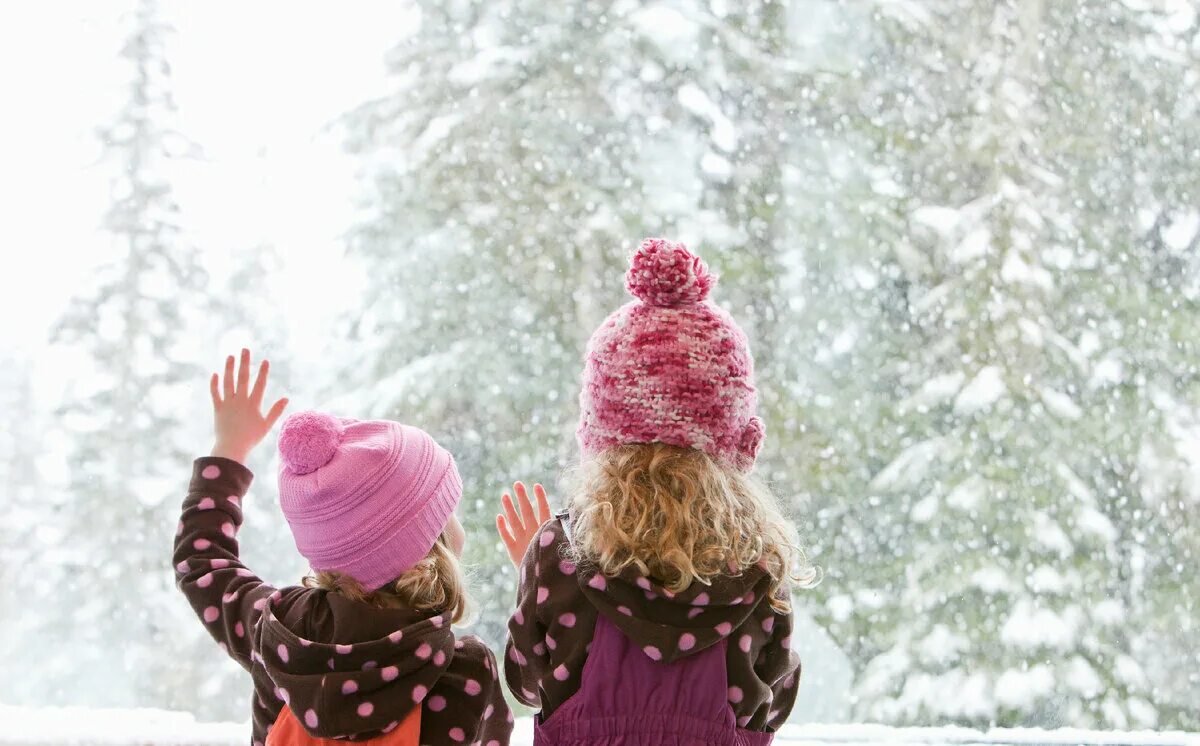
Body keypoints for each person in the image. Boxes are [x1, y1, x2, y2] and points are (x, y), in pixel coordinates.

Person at [497, 239, 819, 744]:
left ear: (599, 435)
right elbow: (775, 698)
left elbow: (526, 684)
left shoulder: (561, 558)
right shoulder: (759, 565)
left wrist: (536, 571)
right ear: (736, 440)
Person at [174, 349, 512, 746]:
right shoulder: (464, 673)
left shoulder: (279, 633)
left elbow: (200, 563)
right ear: (431, 546)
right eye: (446, 511)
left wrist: (228, 450)